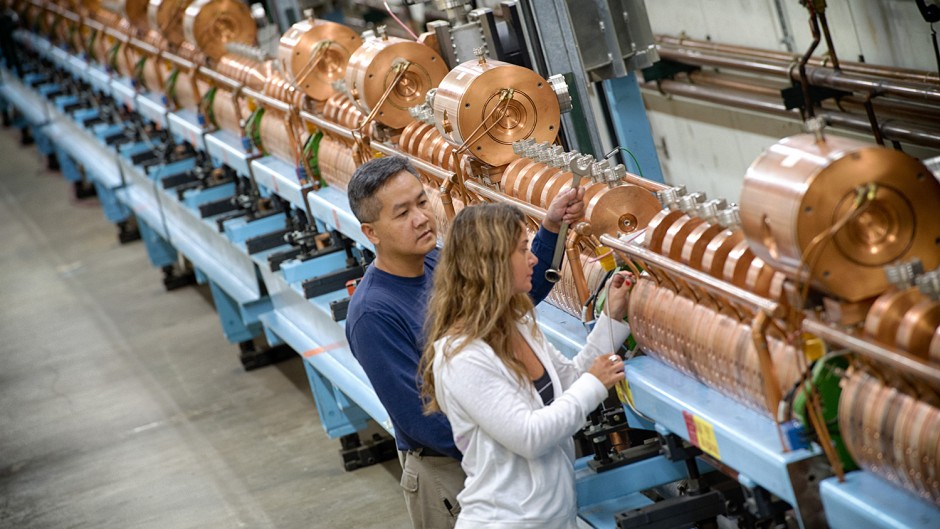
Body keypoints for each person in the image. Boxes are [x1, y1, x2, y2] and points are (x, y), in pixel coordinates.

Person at [344, 156, 586, 529]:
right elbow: (422, 419)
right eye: (402, 212)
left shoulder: (436, 263)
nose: (421, 218)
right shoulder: (373, 314)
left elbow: (504, 300)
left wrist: (551, 229)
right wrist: (523, 433)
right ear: (371, 232)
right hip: (450, 474)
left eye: (422, 202)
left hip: (498, 457)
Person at [420, 203, 634, 529]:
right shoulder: (462, 357)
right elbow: (529, 436)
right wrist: (594, 384)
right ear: (491, 264)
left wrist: (611, 320)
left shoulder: (517, 323)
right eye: (523, 250)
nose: (533, 258)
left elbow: (570, 380)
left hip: (553, 517)